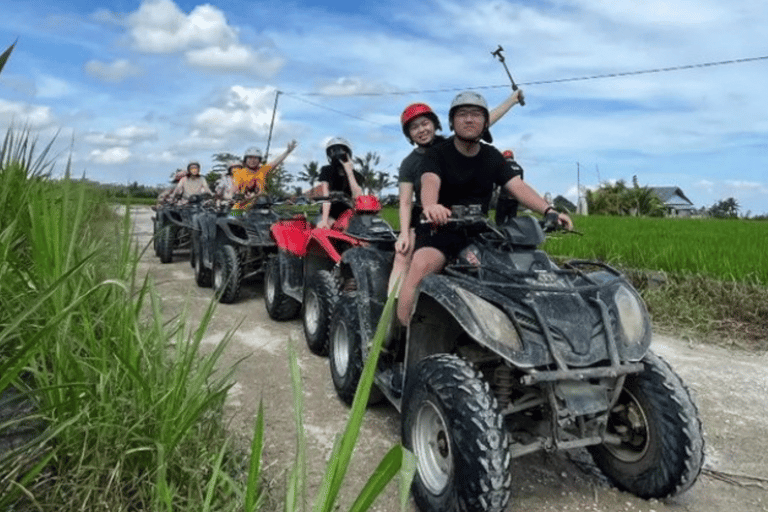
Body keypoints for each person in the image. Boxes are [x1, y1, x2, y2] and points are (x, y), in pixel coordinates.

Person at [396, 91, 572, 326]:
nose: (469, 120)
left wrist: (549, 210)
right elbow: (430, 181)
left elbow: (517, 186)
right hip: (440, 230)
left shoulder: (491, 156)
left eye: (476, 115)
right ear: (451, 122)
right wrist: (431, 206)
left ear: (486, 122)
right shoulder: (436, 154)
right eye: (463, 115)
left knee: (519, 269)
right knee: (422, 266)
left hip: (480, 232)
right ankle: (402, 334)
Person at [388, 89, 524, 294]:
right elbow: (406, 201)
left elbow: (482, 123)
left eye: (425, 123)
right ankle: (395, 308)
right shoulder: (409, 164)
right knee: (403, 255)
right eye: (414, 127)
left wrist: (511, 101)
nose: (422, 130)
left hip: (464, 222)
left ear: (435, 124)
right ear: (409, 135)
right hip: (427, 221)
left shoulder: (451, 145)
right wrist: (404, 234)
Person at [232, 141, 297, 212]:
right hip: (242, 206)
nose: (253, 161)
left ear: (259, 160)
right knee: (231, 218)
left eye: (256, 158)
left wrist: (287, 151)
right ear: (245, 160)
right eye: (250, 158)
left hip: (262, 205)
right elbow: (235, 189)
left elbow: (276, 162)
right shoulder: (239, 173)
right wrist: (239, 196)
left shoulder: (263, 170)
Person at [316, 137, 364, 229]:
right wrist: (325, 220)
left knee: (349, 229)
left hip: (348, 210)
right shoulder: (326, 170)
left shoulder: (355, 174)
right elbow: (326, 196)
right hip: (330, 211)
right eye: (333, 151)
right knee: (321, 230)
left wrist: (349, 171)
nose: (337, 153)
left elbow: (358, 196)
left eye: (341, 150)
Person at [494, 149, 525, 225]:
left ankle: (500, 236)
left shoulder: (503, 167)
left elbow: (496, 183)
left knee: (499, 221)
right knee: (512, 220)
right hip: (515, 198)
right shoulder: (520, 168)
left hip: (504, 198)